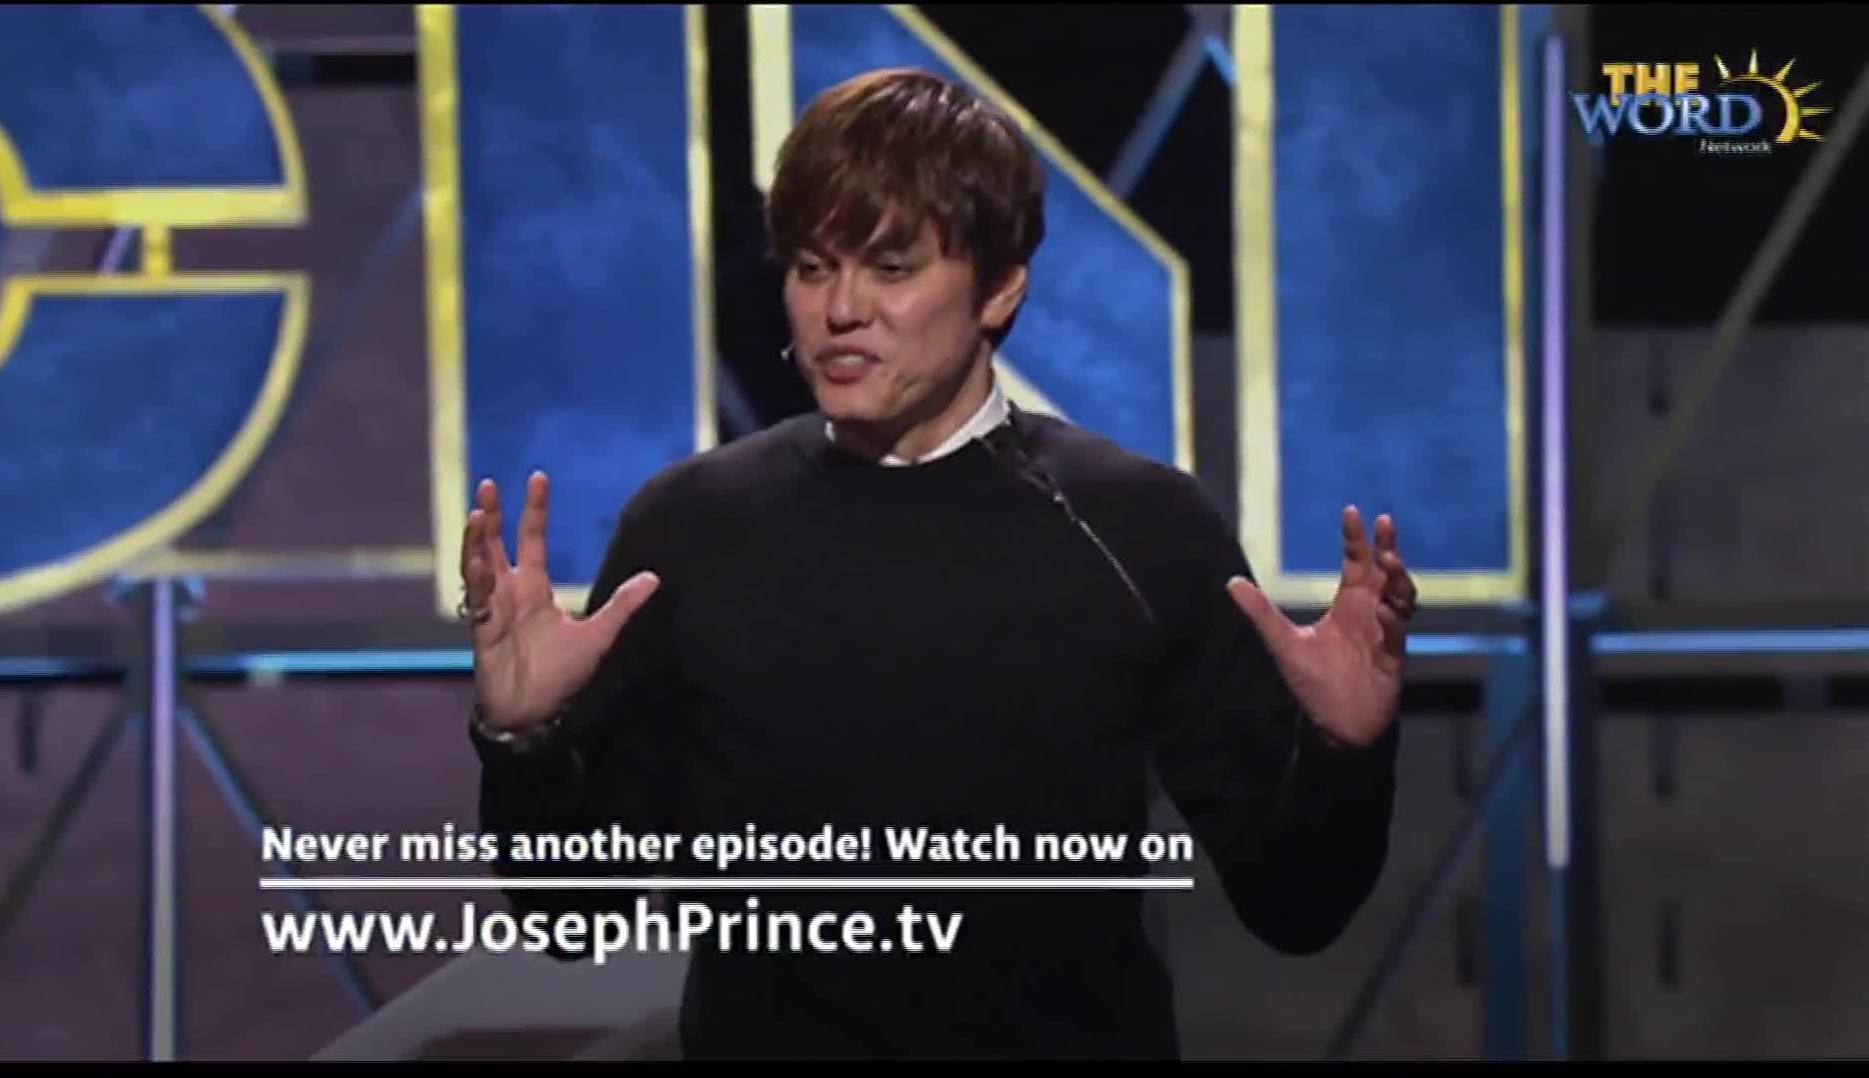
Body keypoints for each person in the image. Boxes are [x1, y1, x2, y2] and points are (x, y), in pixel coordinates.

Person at [458, 67, 1417, 1061]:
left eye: (890, 267)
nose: (840, 310)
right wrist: (524, 742)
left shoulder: (1139, 527)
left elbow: (1297, 907)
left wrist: (1349, 752)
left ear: (1000, 288)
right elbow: (575, 912)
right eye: (813, 266)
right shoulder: (691, 530)